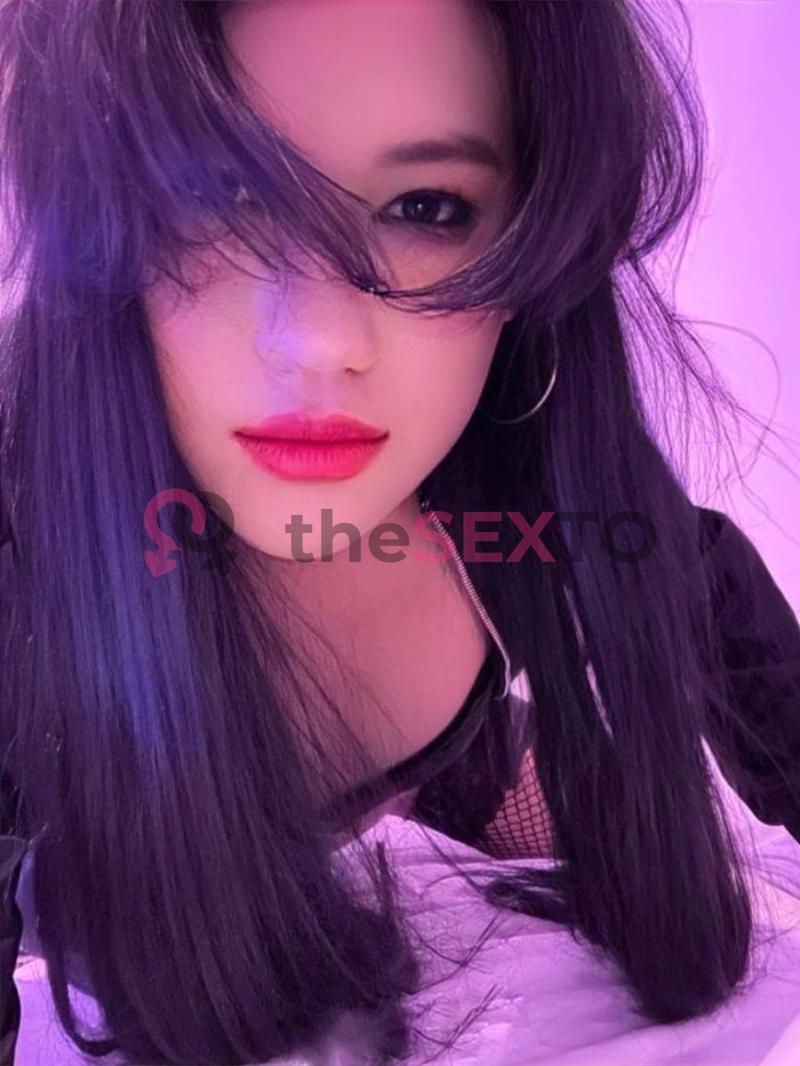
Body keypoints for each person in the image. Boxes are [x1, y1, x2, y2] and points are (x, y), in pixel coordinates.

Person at [1, 1, 799, 1063]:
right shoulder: (31, 575)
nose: (317, 338)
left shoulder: (534, 507)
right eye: (215, 194)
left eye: (427, 206)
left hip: (470, 771)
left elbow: (700, 583)